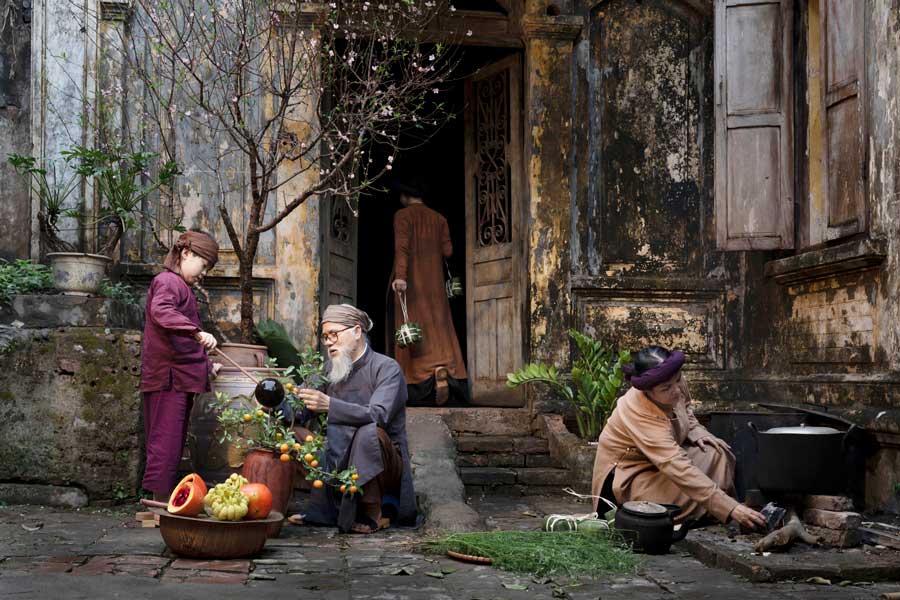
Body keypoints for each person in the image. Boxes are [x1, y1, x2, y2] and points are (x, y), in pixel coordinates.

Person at [591, 346, 766, 530]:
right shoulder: (637, 411)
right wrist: (732, 508)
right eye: (666, 388)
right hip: (633, 476)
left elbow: (686, 409)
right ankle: (724, 509)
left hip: (663, 461)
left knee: (716, 454)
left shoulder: (674, 382)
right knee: (686, 497)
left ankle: (718, 507)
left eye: (678, 380)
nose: (676, 390)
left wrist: (697, 431)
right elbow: (676, 465)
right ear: (648, 392)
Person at [288, 304, 416, 534]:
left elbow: (379, 414)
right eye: (325, 336)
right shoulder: (327, 369)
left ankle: (372, 511)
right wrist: (274, 398)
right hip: (337, 456)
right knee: (290, 432)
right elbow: (299, 409)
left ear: (357, 331)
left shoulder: (387, 368)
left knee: (369, 431)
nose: (328, 342)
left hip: (381, 463)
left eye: (334, 334)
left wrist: (330, 405)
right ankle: (323, 510)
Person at [141, 231, 220, 502]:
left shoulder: (180, 286)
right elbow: (162, 313)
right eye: (204, 265)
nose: (204, 273)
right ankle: (157, 504)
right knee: (166, 440)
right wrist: (197, 332)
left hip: (177, 378)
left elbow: (180, 341)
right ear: (186, 254)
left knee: (172, 440)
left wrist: (206, 364)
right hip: (168, 379)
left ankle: (159, 502)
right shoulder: (167, 281)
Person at [390, 177, 467, 405]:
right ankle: (443, 369)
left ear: (405, 195)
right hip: (435, 285)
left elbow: (401, 248)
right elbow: (448, 251)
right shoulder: (439, 218)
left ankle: (419, 378)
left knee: (410, 329)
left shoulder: (402, 216)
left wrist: (401, 277)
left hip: (412, 285)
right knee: (441, 329)